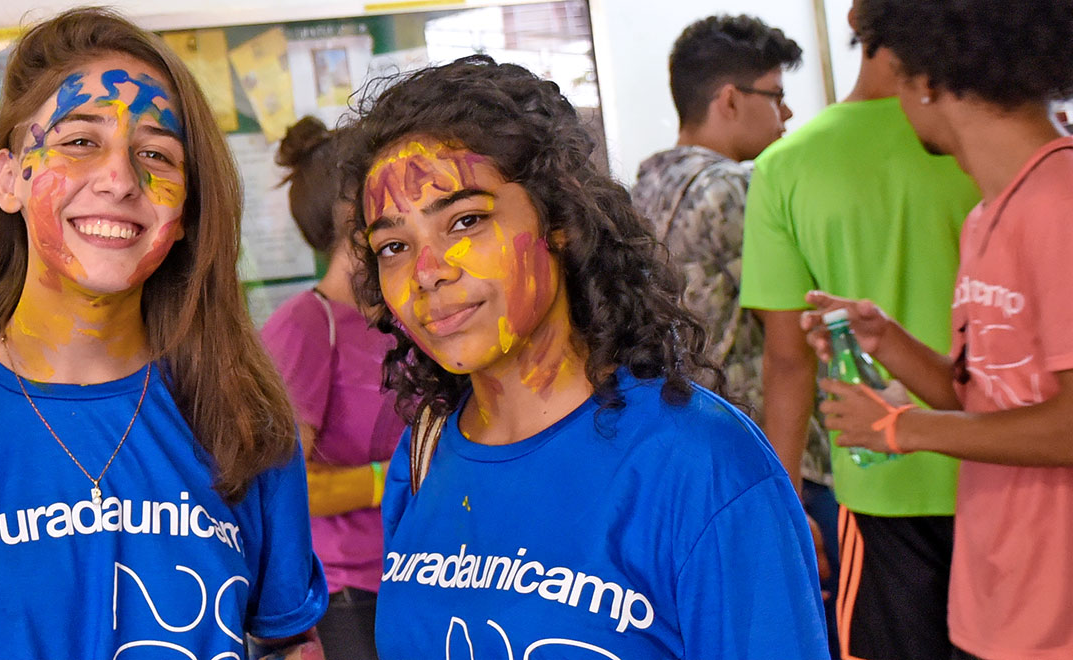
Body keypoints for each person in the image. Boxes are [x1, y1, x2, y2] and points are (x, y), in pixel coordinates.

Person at [346, 55, 825, 659]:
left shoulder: (701, 466)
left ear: (559, 220)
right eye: (393, 245)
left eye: (465, 221)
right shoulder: (422, 457)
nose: (428, 273)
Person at [0, 8, 327, 659]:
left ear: (188, 207)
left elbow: (287, 643)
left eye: (156, 153)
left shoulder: (246, 417)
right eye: (79, 141)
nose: (120, 179)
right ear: (9, 179)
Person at [815, 2, 1073, 658]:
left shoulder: (1060, 204)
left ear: (925, 77)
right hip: (994, 600)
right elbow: (988, 401)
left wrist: (901, 429)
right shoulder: (987, 216)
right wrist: (887, 341)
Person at [737, 2, 981, 655]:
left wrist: (786, 497)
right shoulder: (986, 137)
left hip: (880, 482)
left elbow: (789, 361)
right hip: (1009, 468)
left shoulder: (787, 166)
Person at [260, 115, 402, 660]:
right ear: (351, 214)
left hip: (409, 573)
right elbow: (287, 487)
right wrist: (394, 479)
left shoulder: (401, 317)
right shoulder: (304, 327)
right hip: (346, 595)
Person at [633, 14, 800, 416]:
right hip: (753, 427)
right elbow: (790, 335)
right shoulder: (729, 188)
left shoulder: (647, 184)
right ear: (729, 100)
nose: (788, 113)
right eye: (776, 96)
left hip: (682, 417)